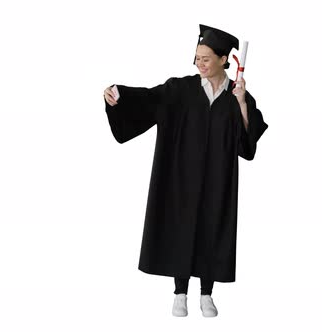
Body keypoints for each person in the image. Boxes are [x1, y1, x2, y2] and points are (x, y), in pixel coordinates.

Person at [103, 24, 268, 317]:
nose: (198, 64)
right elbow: (149, 98)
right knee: (182, 226)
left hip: (219, 179)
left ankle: (207, 294)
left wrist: (242, 102)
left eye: (205, 58)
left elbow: (247, 146)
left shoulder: (237, 95)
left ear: (223, 59)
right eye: (196, 57)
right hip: (183, 176)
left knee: (213, 227)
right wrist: (119, 96)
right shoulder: (180, 89)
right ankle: (180, 293)